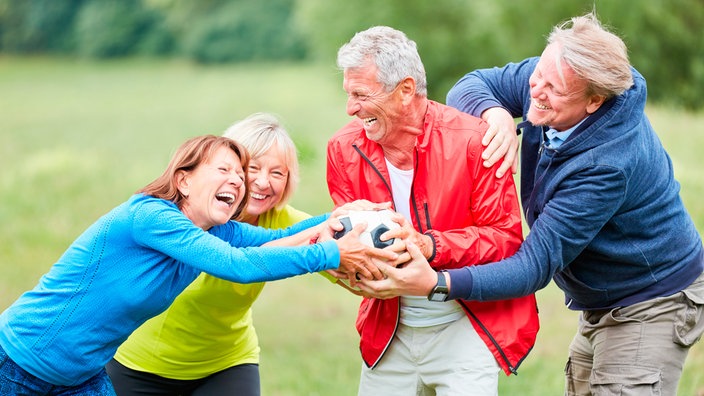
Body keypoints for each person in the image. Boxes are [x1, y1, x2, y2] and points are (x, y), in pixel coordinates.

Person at [358, 13, 704, 395]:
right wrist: (497, 113)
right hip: (601, 298)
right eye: (536, 75)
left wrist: (437, 283)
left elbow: (533, 266)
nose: (534, 90)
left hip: (652, 297)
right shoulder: (556, 73)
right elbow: (470, 85)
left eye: (552, 89)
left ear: (593, 100)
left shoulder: (606, 165)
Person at [0, 134, 395, 395]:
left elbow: (275, 239)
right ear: (184, 180)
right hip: (19, 360)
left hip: (78, 377)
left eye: (239, 175)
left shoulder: (215, 231)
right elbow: (239, 266)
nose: (239, 181)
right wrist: (332, 253)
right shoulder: (151, 216)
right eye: (223, 170)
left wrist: (340, 215)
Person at [326, 26, 539, 396]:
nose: (351, 108)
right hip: (389, 331)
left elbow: (504, 240)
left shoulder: (476, 141)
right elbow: (347, 245)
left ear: (406, 90)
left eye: (361, 94)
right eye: (349, 94)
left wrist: (428, 245)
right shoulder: (342, 149)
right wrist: (344, 261)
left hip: (466, 327)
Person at [105, 113, 346, 395]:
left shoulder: (285, 223)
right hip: (142, 364)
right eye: (252, 168)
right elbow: (238, 264)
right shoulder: (189, 218)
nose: (263, 182)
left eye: (277, 173)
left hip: (227, 364)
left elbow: (346, 260)